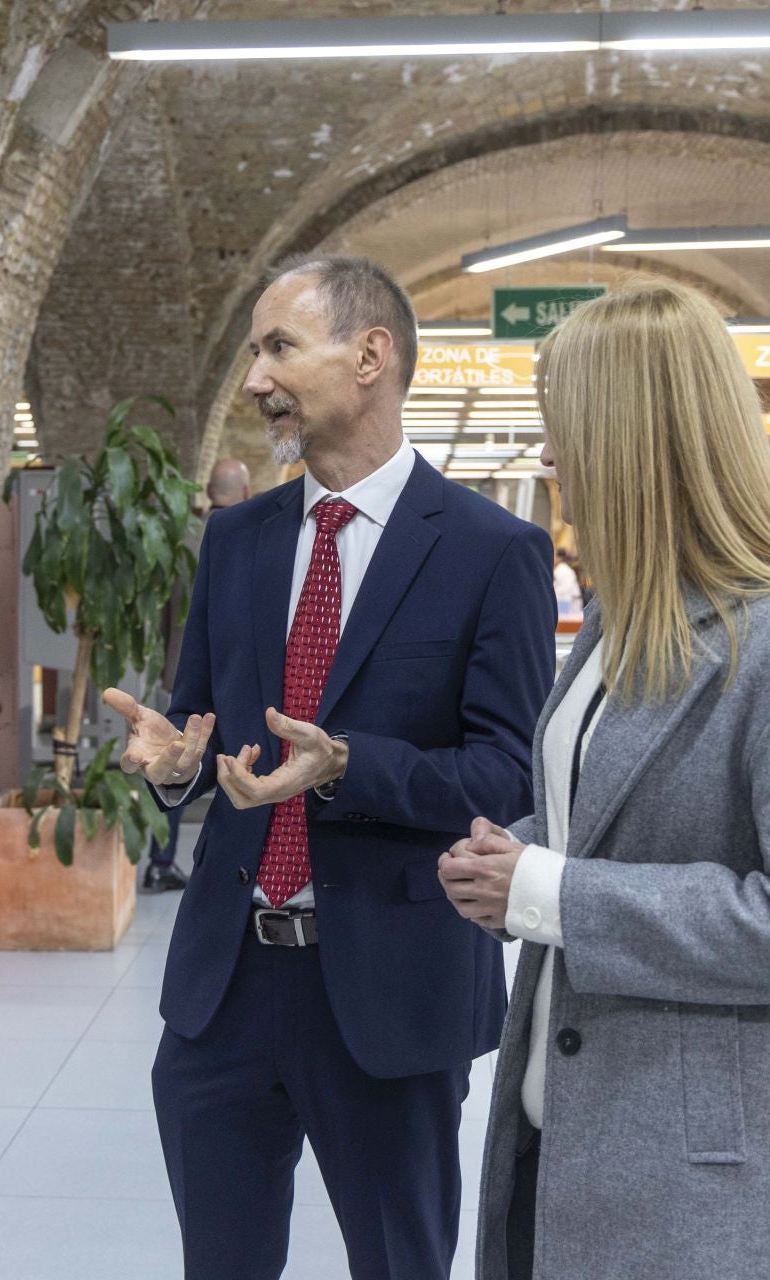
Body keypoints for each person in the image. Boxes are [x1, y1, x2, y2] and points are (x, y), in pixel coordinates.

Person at [437, 279, 770, 1280]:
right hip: (560, 1140)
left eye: (566, 429)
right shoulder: (623, 619)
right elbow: (617, 813)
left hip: (697, 1193)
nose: (551, 457)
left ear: (635, 439)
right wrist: (515, 854)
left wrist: (556, 892)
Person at [103, 253, 556, 1279]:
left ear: (369, 354)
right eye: (255, 350)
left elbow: (503, 774)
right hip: (224, 985)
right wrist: (176, 764)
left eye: (277, 346)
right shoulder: (238, 541)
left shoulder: (494, 552)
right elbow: (200, 724)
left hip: (389, 988)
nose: (255, 377)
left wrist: (347, 764)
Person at [144, 456, 252, 894]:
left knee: (175, 758)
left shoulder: (184, 541)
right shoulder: (254, 536)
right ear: (244, 492)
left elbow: (167, 610)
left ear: (208, 491)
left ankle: (161, 859)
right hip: (242, 677)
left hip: (182, 669)